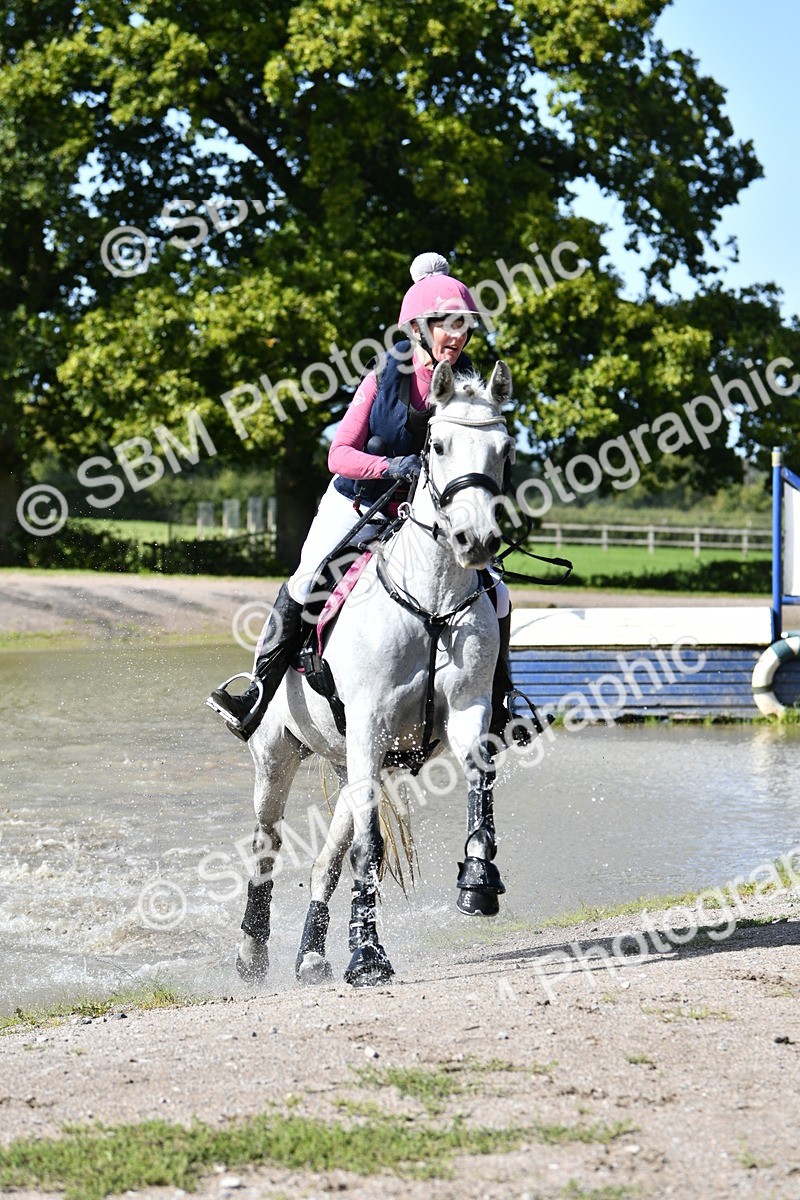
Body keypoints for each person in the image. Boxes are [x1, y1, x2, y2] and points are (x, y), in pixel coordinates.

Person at [206, 252, 530, 745]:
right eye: (446, 324)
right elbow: (340, 454)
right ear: (419, 327)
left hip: (425, 517)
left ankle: (502, 702)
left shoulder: (467, 384)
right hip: (358, 501)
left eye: (463, 326)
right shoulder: (383, 378)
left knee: (497, 593)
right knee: (308, 579)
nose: (457, 335)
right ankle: (257, 695)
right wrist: (389, 467)